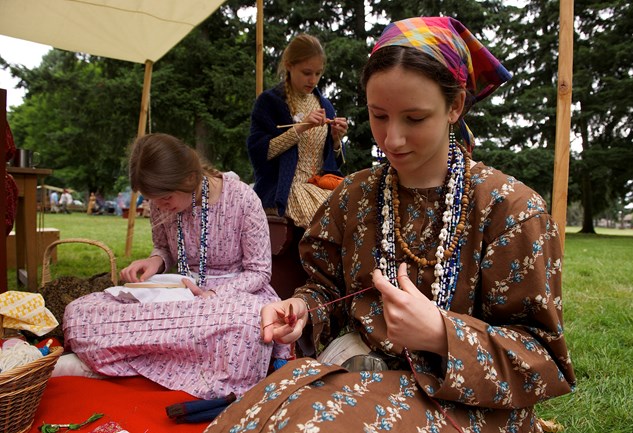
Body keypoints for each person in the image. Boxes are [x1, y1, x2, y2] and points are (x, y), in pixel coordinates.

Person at [206, 17, 576, 433]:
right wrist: (303, 309)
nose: (392, 139)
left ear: (455, 106)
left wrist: (441, 334)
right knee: (241, 422)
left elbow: (543, 360)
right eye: (378, 116)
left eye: (414, 119)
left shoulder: (510, 210)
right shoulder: (356, 194)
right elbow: (327, 289)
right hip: (362, 373)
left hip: (468, 405)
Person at [63, 133, 291, 400]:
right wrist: (155, 262)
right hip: (178, 293)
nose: (160, 206)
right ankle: (151, 363)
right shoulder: (161, 202)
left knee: (249, 326)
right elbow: (163, 249)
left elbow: (259, 272)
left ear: (189, 179)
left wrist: (214, 296)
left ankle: (121, 362)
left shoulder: (241, 199)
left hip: (233, 298)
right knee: (79, 313)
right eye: (154, 200)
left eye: (165, 198)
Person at [247, 33, 348, 230]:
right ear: (289, 65)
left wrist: (336, 141)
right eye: (307, 72)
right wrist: (301, 128)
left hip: (321, 184)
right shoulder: (270, 102)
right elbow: (259, 152)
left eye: (318, 74)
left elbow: (331, 162)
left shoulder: (325, 105)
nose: (313, 80)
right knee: (327, 219)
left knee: (356, 210)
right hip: (285, 188)